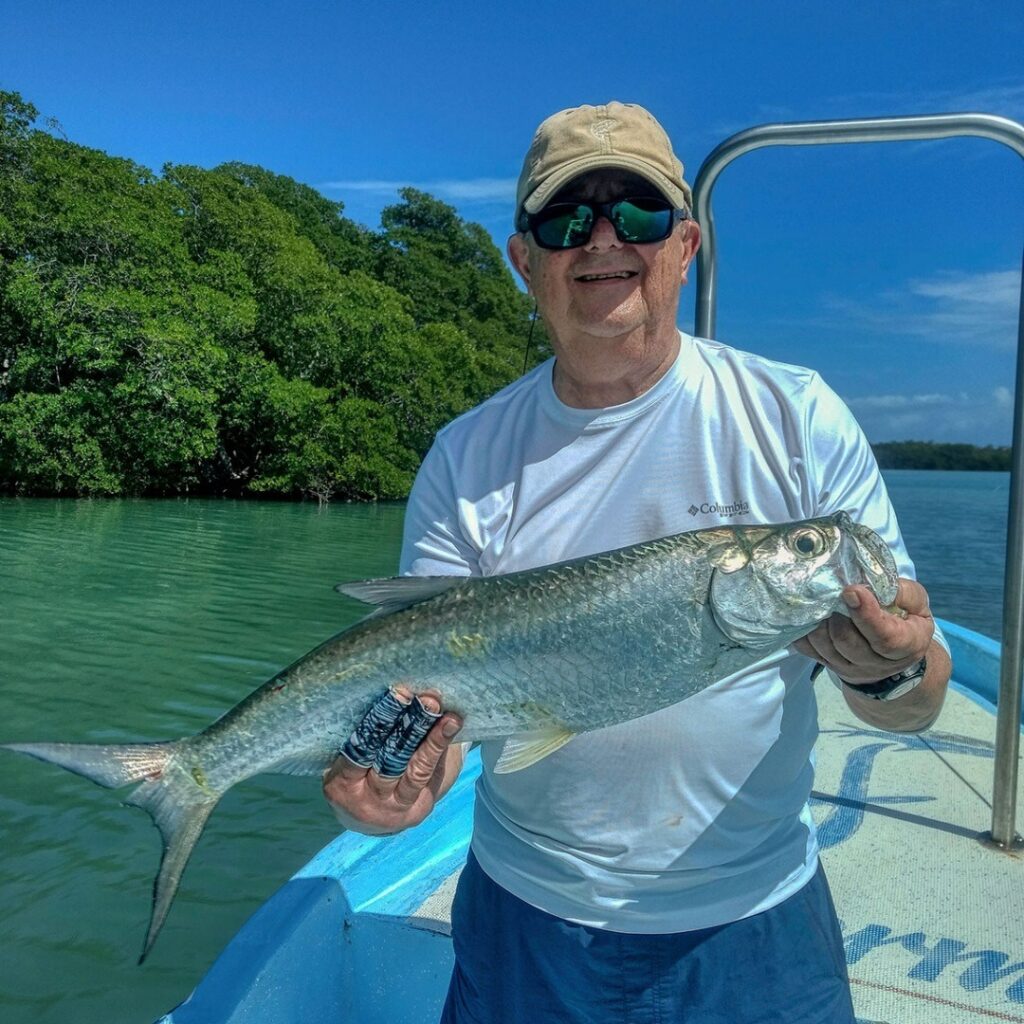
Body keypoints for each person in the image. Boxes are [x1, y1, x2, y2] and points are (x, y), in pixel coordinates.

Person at [323, 101, 952, 1023]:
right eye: (567, 218)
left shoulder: (797, 415)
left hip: (756, 921)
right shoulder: (466, 456)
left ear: (686, 246)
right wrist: (386, 789)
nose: (605, 239)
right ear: (524, 259)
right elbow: (436, 716)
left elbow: (924, 695)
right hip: (526, 918)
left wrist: (893, 669)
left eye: (642, 215)